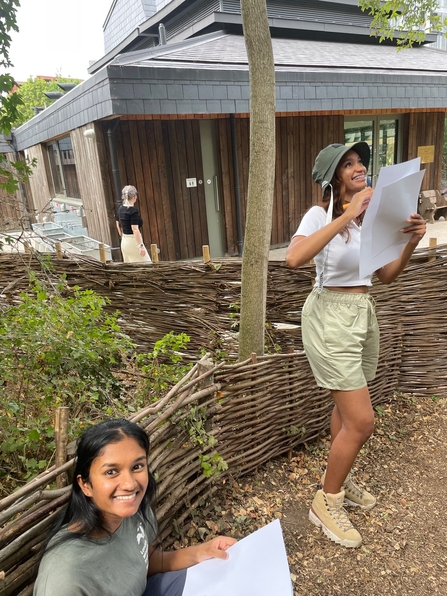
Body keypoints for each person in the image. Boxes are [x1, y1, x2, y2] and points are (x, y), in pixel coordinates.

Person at [286, 142, 426, 548]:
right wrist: (347, 213)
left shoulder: (368, 222)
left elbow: (385, 276)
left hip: (361, 313)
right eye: (348, 164)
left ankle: (338, 481)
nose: (359, 167)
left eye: (360, 161)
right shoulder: (320, 214)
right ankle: (325, 503)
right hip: (329, 316)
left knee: (345, 412)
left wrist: (411, 242)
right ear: (333, 178)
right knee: (363, 421)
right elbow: (294, 259)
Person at [33, 419, 236, 595]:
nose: (130, 484)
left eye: (137, 466)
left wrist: (199, 552)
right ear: (85, 485)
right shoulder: (65, 576)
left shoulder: (133, 510)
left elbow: (144, 561)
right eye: (111, 472)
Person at [116, 185, 152, 263]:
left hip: (125, 241)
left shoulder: (120, 209)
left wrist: (122, 235)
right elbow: (135, 229)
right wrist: (141, 246)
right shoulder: (133, 211)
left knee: (130, 266)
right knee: (146, 264)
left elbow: (118, 223)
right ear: (135, 196)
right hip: (133, 241)